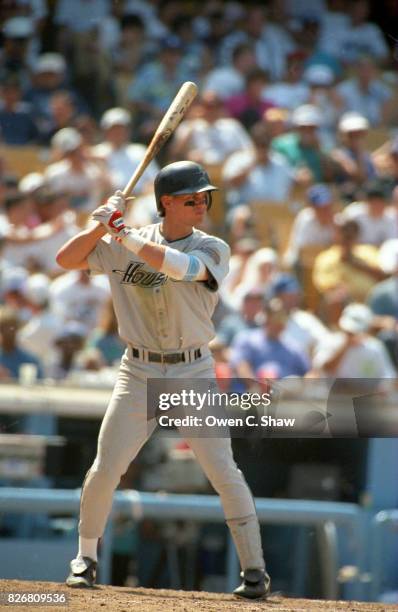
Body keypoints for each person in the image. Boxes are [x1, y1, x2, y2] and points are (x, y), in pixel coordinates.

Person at [56, 161, 270, 599]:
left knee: (223, 471)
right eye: (191, 198)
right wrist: (100, 223)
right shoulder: (123, 238)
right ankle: (85, 559)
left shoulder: (213, 247)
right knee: (105, 467)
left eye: (204, 198)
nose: (201, 205)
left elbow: (179, 268)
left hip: (193, 369)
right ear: (165, 203)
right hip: (138, 369)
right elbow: (66, 259)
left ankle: (254, 571)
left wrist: (121, 233)